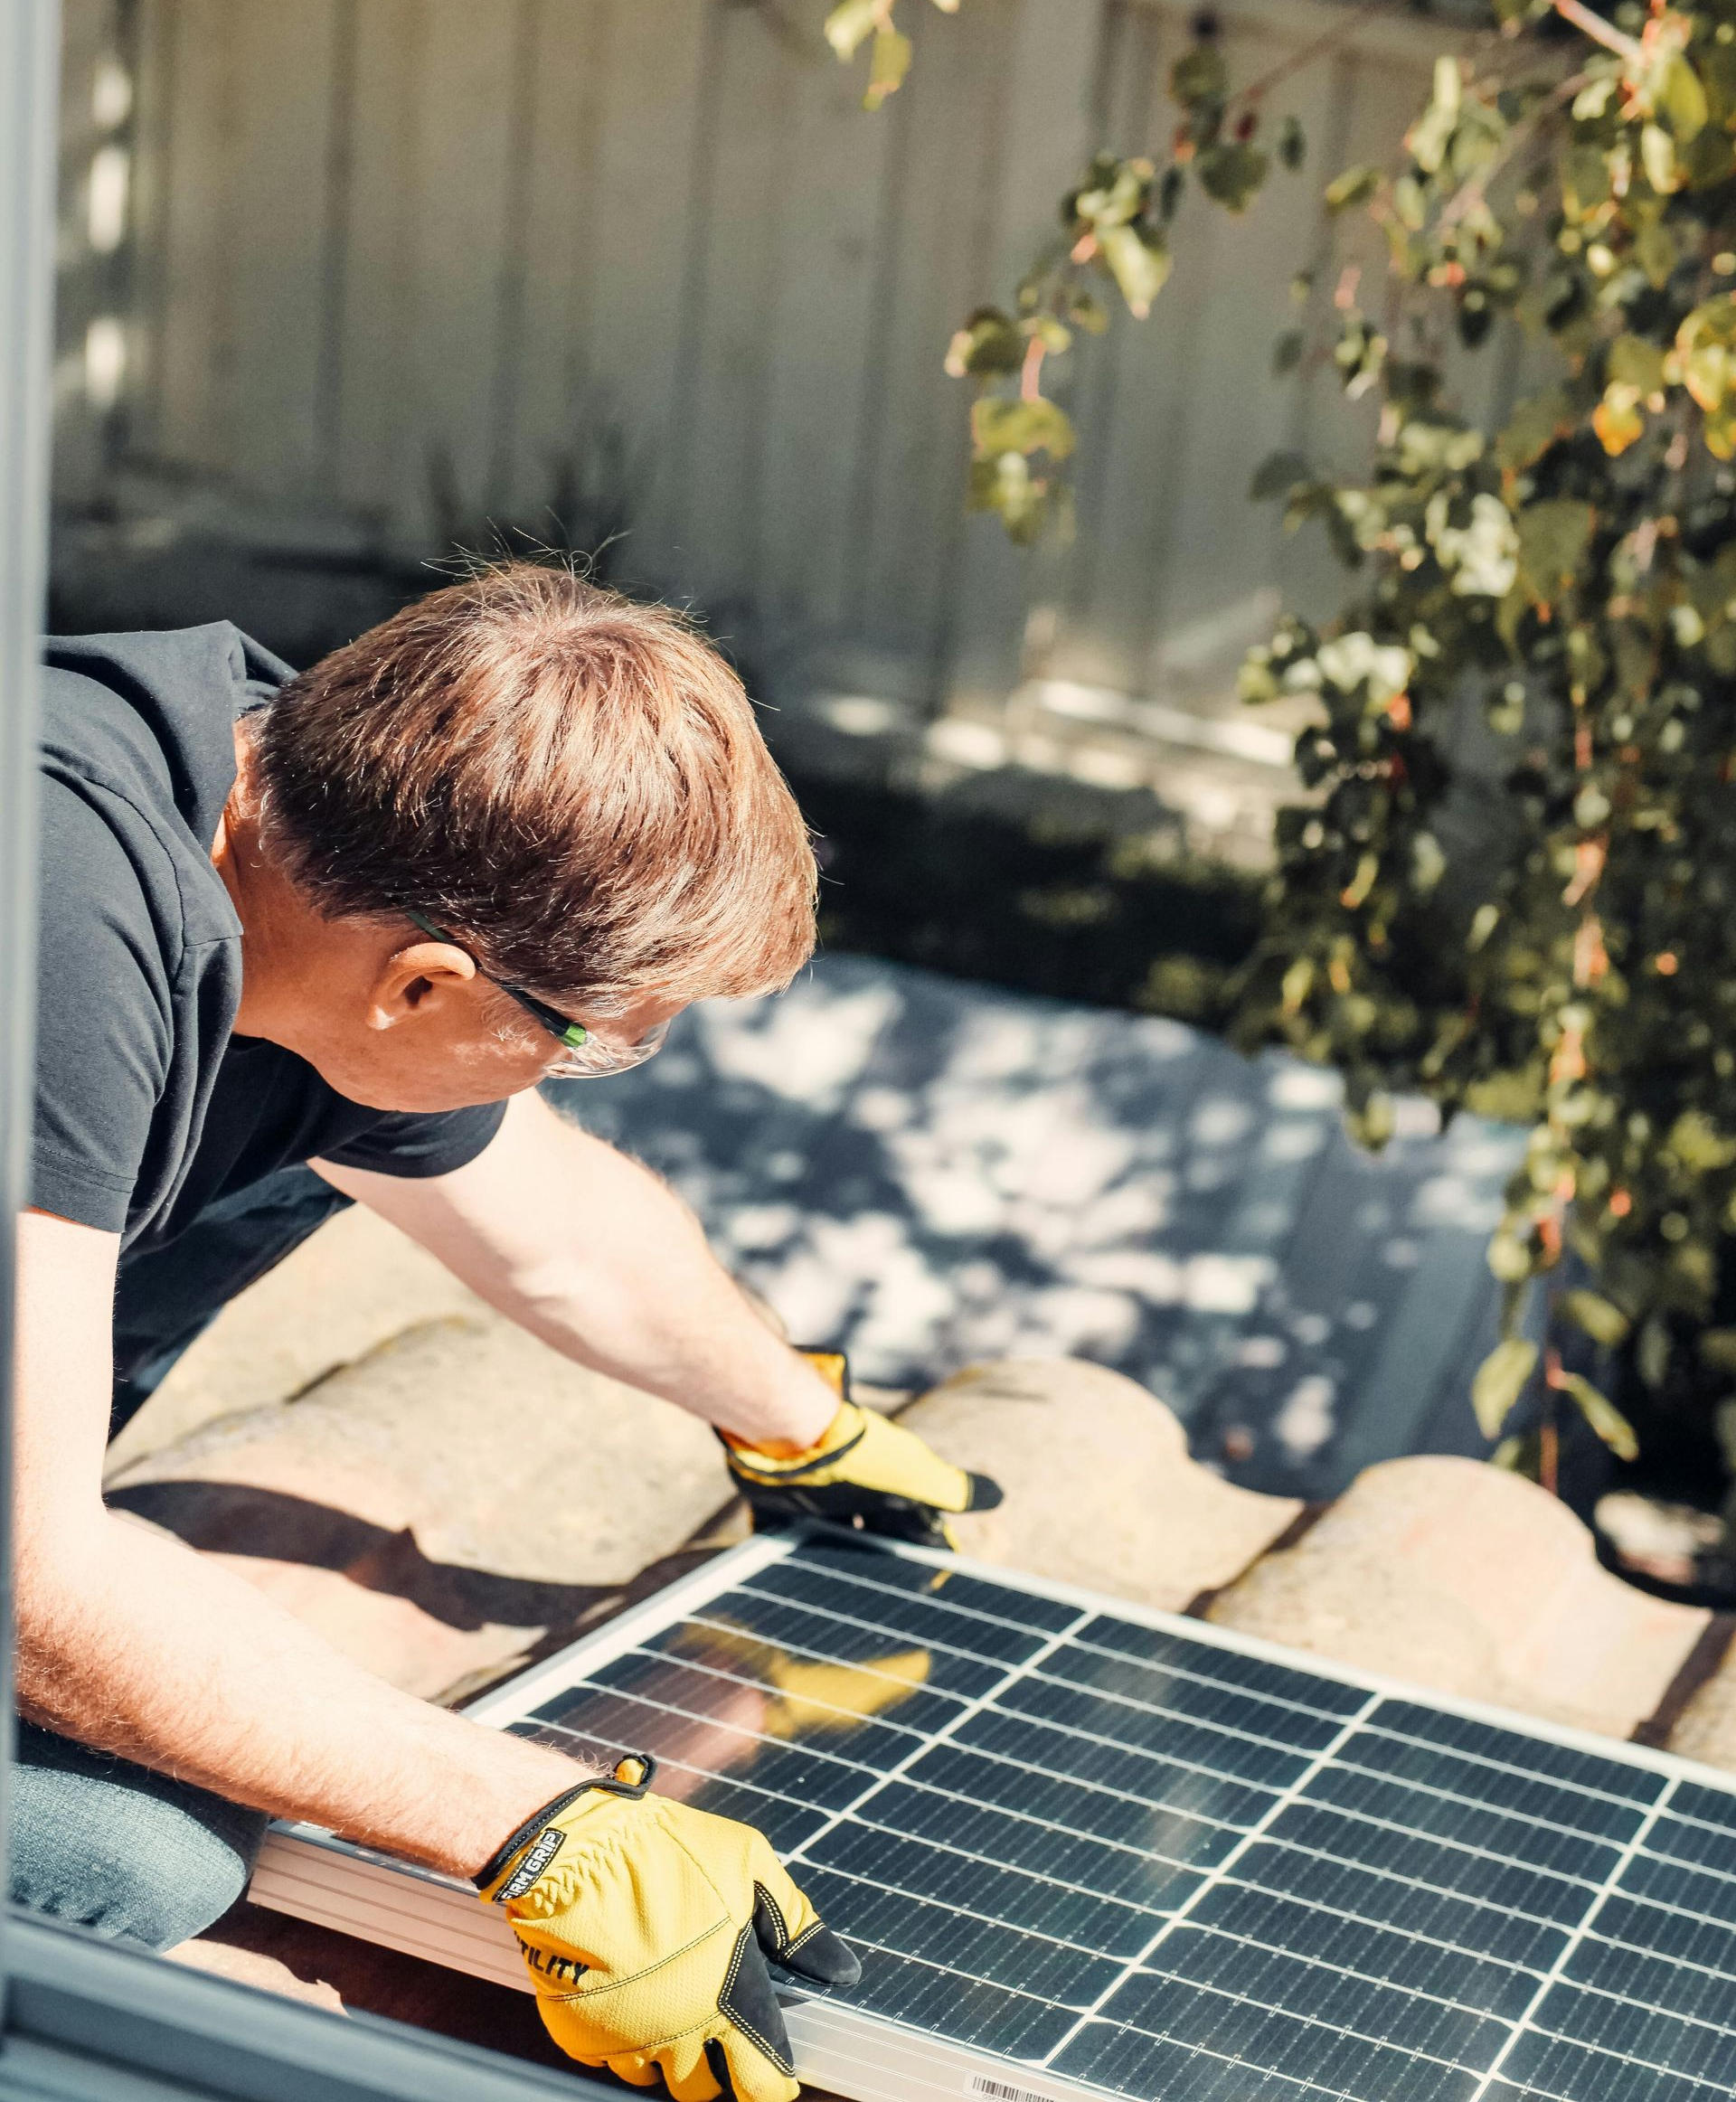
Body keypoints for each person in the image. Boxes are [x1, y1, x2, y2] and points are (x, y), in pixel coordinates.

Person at [15, 563, 1001, 2101]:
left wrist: (794, 1419)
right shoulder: (49, 949)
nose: (576, 1075)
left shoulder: (299, 808)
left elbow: (554, 1232)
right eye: (591, 1045)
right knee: (131, 1854)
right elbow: (32, 1584)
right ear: (424, 986)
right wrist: (533, 1824)